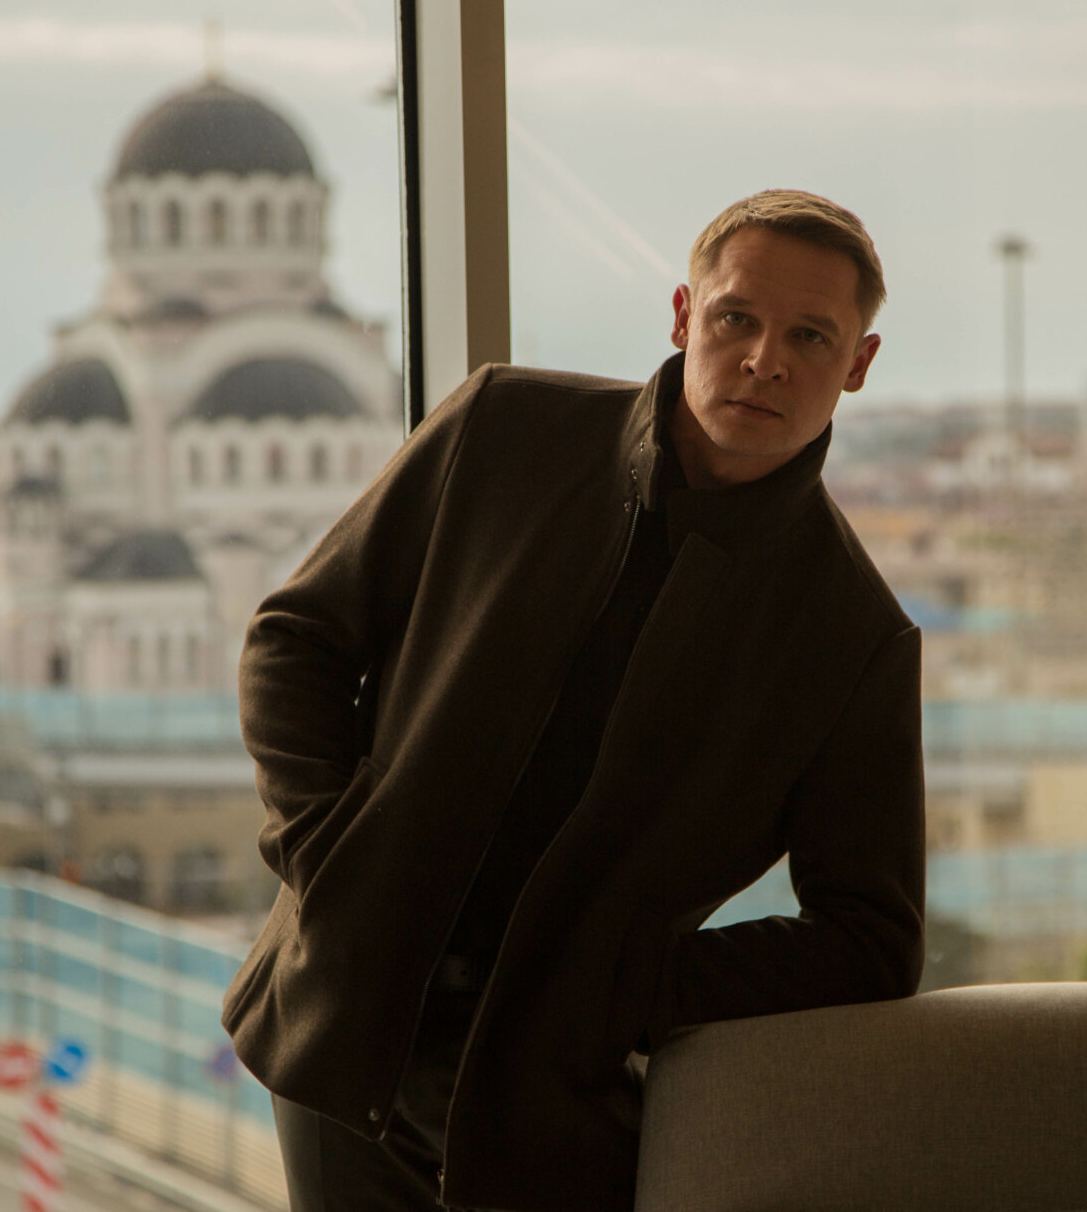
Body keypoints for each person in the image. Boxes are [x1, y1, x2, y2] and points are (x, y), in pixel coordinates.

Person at [222, 190, 925, 1212]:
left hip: (551, 1107)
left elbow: (870, 936)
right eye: (736, 317)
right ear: (684, 316)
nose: (764, 359)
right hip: (345, 1028)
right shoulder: (502, 425)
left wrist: (623, 990)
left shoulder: (854, 634)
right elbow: (296, 638)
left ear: (858, 363)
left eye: (810, 336)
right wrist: (327, 855)